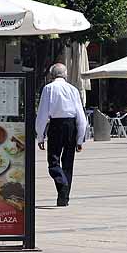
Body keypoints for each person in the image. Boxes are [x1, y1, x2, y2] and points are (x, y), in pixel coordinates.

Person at [35, 62, 87, 207]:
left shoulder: (48, 89)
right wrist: (80, 139)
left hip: (56, 126)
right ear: (65, 75)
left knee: (53, 160)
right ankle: (64, 197)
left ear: (52, 75)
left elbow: (42, 114)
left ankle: (62, 184)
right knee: (68, 163)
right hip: (71, 126)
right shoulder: (73, 89)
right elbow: (80, 115)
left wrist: (40, 135)